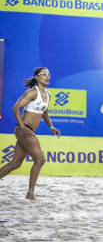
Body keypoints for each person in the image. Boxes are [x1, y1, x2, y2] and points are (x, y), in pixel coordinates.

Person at [0, 67, 61, 200]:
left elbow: (44, 112)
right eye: (44, 74)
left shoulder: (48, 95)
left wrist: (51, 127)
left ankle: (30, 193)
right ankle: (30, 194)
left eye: (49, 74)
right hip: (23, 129)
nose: (47, 76)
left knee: (15, 163)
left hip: (29, 130)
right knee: (40, 160)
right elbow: (15, 108)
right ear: (37, 77)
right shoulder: (32, 92)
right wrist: (22, 127)